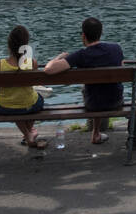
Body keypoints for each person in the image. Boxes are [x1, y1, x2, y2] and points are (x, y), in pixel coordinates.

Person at [44, 17, 125, 145]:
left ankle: (96, 132)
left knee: (91, 90)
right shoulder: (116, 48)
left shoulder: (81, 55)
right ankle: (96, 133)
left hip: (93, 105)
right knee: (103, 88)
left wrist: (60, 56)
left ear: (83, 36)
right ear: (100, 33)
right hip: (116, 101)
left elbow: (49, 70)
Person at [0, 25, 46, 149]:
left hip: (5, 107)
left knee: (16, 105)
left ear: (9, 45)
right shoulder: (32, 63)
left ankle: (28, 134)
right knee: (38, 99)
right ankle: (29, 133)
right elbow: (33, 84)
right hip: (28, 105)